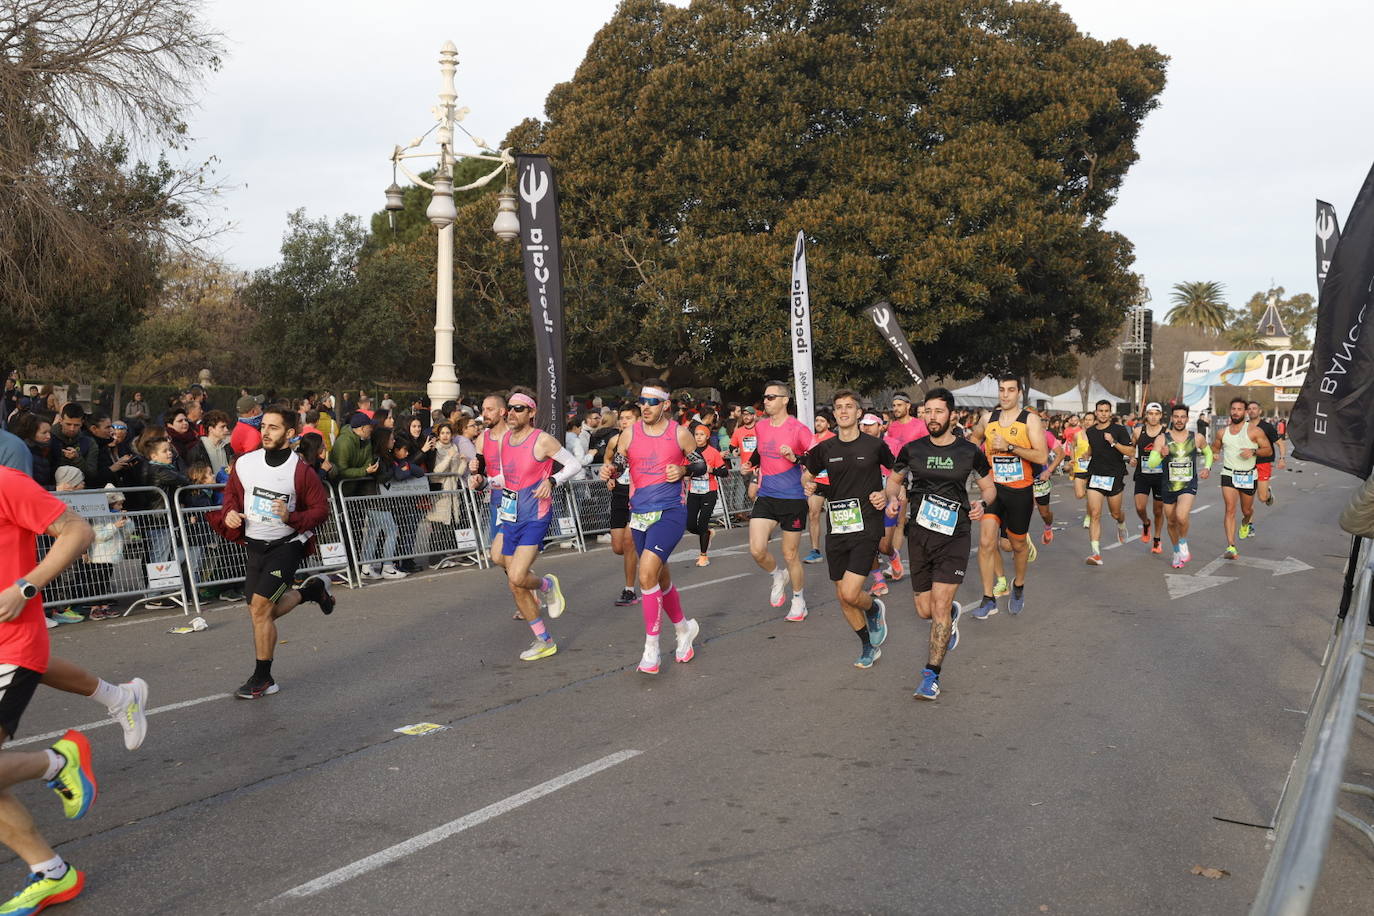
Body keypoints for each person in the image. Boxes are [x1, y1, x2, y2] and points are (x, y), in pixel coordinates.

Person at [0, 466, 138, 914]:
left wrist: (26, 586)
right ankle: (52, 873)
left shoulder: (5, 482)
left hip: (10, 646)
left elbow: (77, 531)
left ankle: (56, 763)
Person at [207, 406, 335, 699]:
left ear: (290, 434)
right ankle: (310, 592)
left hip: (286, 546)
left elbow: (320, 510)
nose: (265, 432)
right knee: (259, 611)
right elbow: (232, 497)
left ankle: (263, 678)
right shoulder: (245, 463)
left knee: (261, 609)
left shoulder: (300, 471)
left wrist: (292, 519)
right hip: (255, 545)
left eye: (273, 427)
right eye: (263, 426)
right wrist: (229, 514)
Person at [884, 388, 995, 700]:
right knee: (924, 610)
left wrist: (982, 504)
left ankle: (931, 676)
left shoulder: (969, 451)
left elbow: (989, 488)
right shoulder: (912, 449)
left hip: (955, 534)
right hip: (919, 534)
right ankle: (949, 620)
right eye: (927, 411)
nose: (932, 417)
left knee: (941, 606)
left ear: (952, 415)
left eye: (938, 411)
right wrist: (893, 499)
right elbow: (894, 480)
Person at [601, 381, 702, 674]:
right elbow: (620, 464)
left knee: (646, 574)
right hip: (640, 513)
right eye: (642, 401)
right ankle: (684, 629)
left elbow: (700, 466)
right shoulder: (629, 434)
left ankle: (651, 649)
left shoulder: (680, 433)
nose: (645, 406)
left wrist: (683, 469)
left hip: (670, 513)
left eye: (652, 402)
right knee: (661, 578)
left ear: (665, 405)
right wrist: (612, 470)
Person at [801, 391, 894, 669]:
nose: (843, 411)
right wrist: (811, 483)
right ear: (835, 414)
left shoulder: (875, 445)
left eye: (849, 407)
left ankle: (874, 608)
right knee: (842, 595)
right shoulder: (824, 450)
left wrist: (886, 494)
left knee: (852, 593)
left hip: (867, 525)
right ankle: (867, 645)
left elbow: (897, 475)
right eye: (839, 407)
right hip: (838, 526)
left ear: (858, 413)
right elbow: (809, 474)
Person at [494, 388, 582, 662]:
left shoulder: (542, 440)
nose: (512, 412)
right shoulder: (504, 440)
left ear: (531, 413)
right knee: (505, 570)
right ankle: (544, 640)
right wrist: (484, 482)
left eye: (519, 408)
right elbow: (506, 476)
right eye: (510, 407)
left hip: (535, 515)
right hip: (510, 513)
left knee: (517, 577)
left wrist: (552, 481)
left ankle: (546, 585)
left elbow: (574, 464)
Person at [970, 376, 1047, 617]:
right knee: (985, 541)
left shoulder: (1029, 420)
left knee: (1017, 545)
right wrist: (977, 462)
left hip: (1020, 491)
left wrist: (1010, 447)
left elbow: (1042, 457)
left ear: (1019, 394)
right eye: (1001, 390)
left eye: (1010, 390)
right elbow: (974, 439)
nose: (1005, 395)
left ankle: (1019, 585)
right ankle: (988, 598)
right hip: (994, 489)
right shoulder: (987, 418)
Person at [746, 382, 815, 621]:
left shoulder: (797, 428)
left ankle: (798, 600)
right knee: (756, 549)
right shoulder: (761, 427)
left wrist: (796, 459)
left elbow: (817, 456)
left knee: (790, 555)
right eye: (764, 397)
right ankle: (777, 575)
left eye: (771, 397)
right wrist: (753, 472)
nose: (765, 401)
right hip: (766, 495)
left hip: (793, 498)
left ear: (785, 400)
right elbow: (760, 453)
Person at [1146, 405, 1212, 567]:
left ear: (1187, 419)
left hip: (1188, 484)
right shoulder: (1162, 439)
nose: (1179, 420)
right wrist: (1161, 454)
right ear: (1171, 419)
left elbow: (1208, 453)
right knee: (1171, 522)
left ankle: (1183, 543)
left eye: (1183, 417)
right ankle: (1176, 552)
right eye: (1176, 417)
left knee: (1182, 516)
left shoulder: (1196, 437)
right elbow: (1151, 463)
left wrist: (1206, 467)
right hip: (1168, 485)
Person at [876, 392, 929, 583]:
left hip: (916, 474)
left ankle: (904, 558)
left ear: (908, 406)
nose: (895, 408)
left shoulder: (920, 425)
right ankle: (894, 560)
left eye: (899, 405)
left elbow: (928, 448)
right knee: (898, 518)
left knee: (904, 520)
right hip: (897, 475)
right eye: (894, 405)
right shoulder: (892, 427)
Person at [1213, 396, 1271, 558]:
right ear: (1230, 411)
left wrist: (1253, 451)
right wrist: (1214, 456)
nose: (1236, 412)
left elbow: (1268, 450)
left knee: (1246, 510)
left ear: (1245, 412)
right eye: (1233, 409)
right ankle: (1231, 546)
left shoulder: (1254, 431)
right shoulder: (1222, 432)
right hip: (1229, 473)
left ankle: (1246, 522)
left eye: (1239, 409)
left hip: (1247, 475)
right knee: (1230, 509)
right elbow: (1215, 448)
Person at [1080, 400, 1134, 567]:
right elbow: (1093, 447)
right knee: (1095, 513)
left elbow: (1130, 451)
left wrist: (1113, 442)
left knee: (1115, 513)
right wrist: (1087, 454)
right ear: (1096, 412)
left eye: (1106, 411)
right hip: (1096, 474)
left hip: (1114, 475)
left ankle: (1121, 523)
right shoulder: (1090, 431)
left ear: (1110, 413)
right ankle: (1096, 553)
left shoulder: (1119, 430)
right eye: (1100, 411)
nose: (1103, 413)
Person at [470, 394, 510, 572]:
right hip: (497, 500)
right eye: (483, 409)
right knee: (499, 556)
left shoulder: (515, 435)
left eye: (490, 409)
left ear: (502, 411)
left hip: (521, 498)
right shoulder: (482, 439)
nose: (484, 413)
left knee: (512, 553)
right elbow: (481, 477)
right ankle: (537, 584)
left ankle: (529, 587)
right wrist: (476, 476)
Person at [605, 405, 641, 605]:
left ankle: (629, 590)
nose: (623, 421)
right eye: (621, 418)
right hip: (619, 494)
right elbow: (608, 459)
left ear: (638, 420)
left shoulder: (643, 441)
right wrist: (608, 476)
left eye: (628, 418)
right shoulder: (615, 440)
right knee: (618, 547)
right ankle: (641, 553)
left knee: (628, 542)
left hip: (637, 496)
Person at [685, 422, 728, 566]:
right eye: (696, 434)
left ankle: (703, 556)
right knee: (690, 524)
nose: (698, 437)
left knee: (702, 522)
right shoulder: (690, 453)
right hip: (693, 491)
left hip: (709, 491)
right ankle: (707, 533)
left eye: (702, 434)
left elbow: (724, 472)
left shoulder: (713, 452)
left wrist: (712, 470)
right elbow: (685, 469)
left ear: (708, 436)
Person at [1131, 403, 1167, 554]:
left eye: (1156, 414)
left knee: (1158, 511)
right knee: (1139, 507)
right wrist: (1132, 458)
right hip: (1142, 474)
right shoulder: (1138, 431)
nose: (1153, 416)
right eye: (1150, 413)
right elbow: (1132, 448)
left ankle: (1157, 540)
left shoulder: (1167, 433)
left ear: (1160, 416)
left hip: (1160, 476)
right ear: (1146, 415)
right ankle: (1146, 523)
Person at [803, 411, 836, 565]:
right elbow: (806, 461)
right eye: (817, 420)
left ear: (828, 424)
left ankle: (840, 546)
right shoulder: (811, 440)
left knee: (836, 514)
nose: (818, 423)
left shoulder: (834, 439)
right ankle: (815, 551)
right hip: (817, 481)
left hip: (834, 481)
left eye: (822, 421)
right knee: (813, 515)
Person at [48, 404, 97, 486]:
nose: (72, 429)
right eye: (68, 424)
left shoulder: (89, 442)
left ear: (82, 423)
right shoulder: (48, 438)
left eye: (76, 425)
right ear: (60, 420)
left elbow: (92, 475)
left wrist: (77, 459)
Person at [1247, 401, 1284, 507]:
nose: (1251, 411)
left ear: (1260, 411)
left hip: (1263, 463)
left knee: (1262, 497)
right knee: (1247, 499)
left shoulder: (1267, 427)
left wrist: (1282, 458)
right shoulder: (1243, 426)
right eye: (1249, 409)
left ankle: (1268, 495)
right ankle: (1248, 524)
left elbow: (1280, 443)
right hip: (1246, 464)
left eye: (1254, 408)